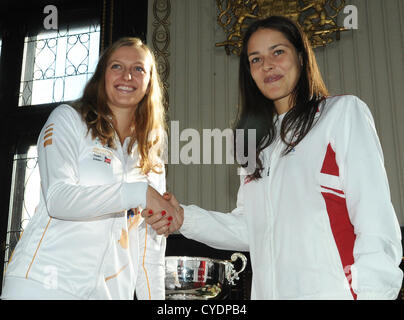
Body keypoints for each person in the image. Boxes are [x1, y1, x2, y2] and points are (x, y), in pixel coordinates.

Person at [144, 16, 403, 300]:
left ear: (301, 58)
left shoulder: (341, 114)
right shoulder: (251, 142)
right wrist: (184, 219)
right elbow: (250, 227)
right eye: (255, 59)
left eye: (277, 52)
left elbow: (374, 214)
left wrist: (374, 293)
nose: (267, 65)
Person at [1, 37, 181, 300]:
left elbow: (149, 252)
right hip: (42, 286)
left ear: (150, 82)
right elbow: (58, 199)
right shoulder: (68, 119)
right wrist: (138, 192)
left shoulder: (149, 153)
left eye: (139, 69)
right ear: (102, 76)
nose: (127, 75)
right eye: (116, 66)